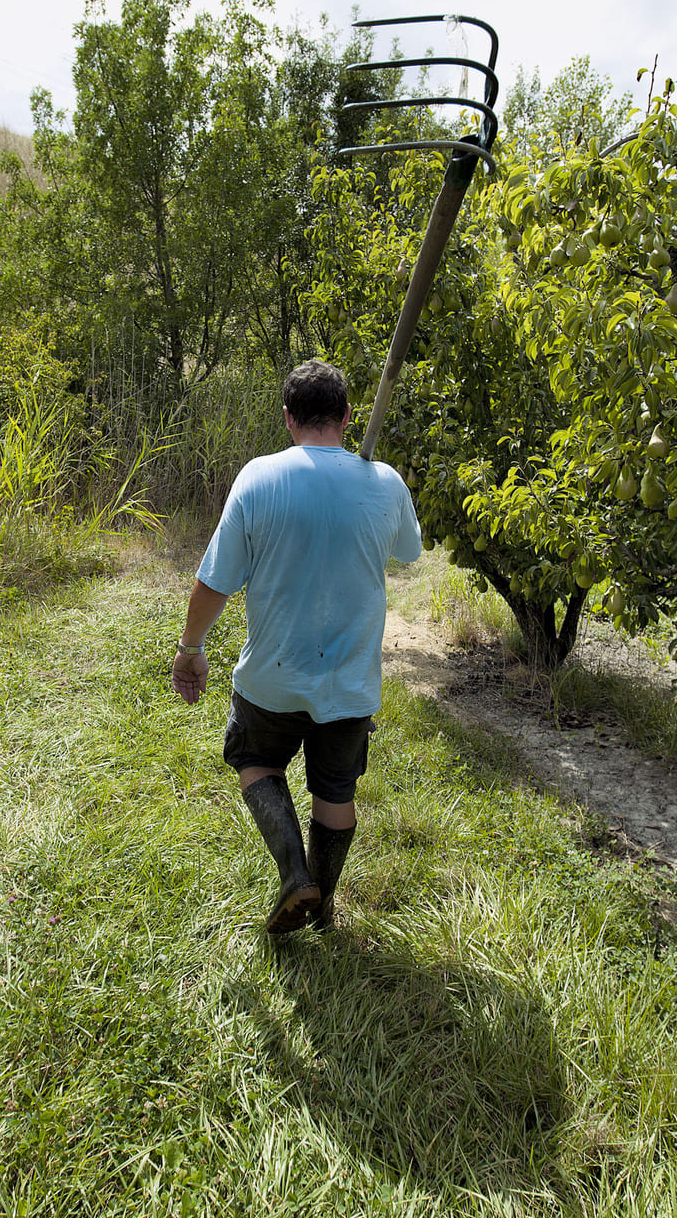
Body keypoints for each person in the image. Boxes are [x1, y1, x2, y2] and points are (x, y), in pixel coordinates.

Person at [170, 360, 423, 934]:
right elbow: (409, 552)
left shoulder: (258, 478)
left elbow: (215, 580)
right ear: (347, 417)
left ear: (288, 417)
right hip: (350, 685)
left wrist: (191, 646)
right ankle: (323, 903)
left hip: (271, 677)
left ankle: (295, 878)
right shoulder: (384, 482)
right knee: (335, 791)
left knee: (255, 760)